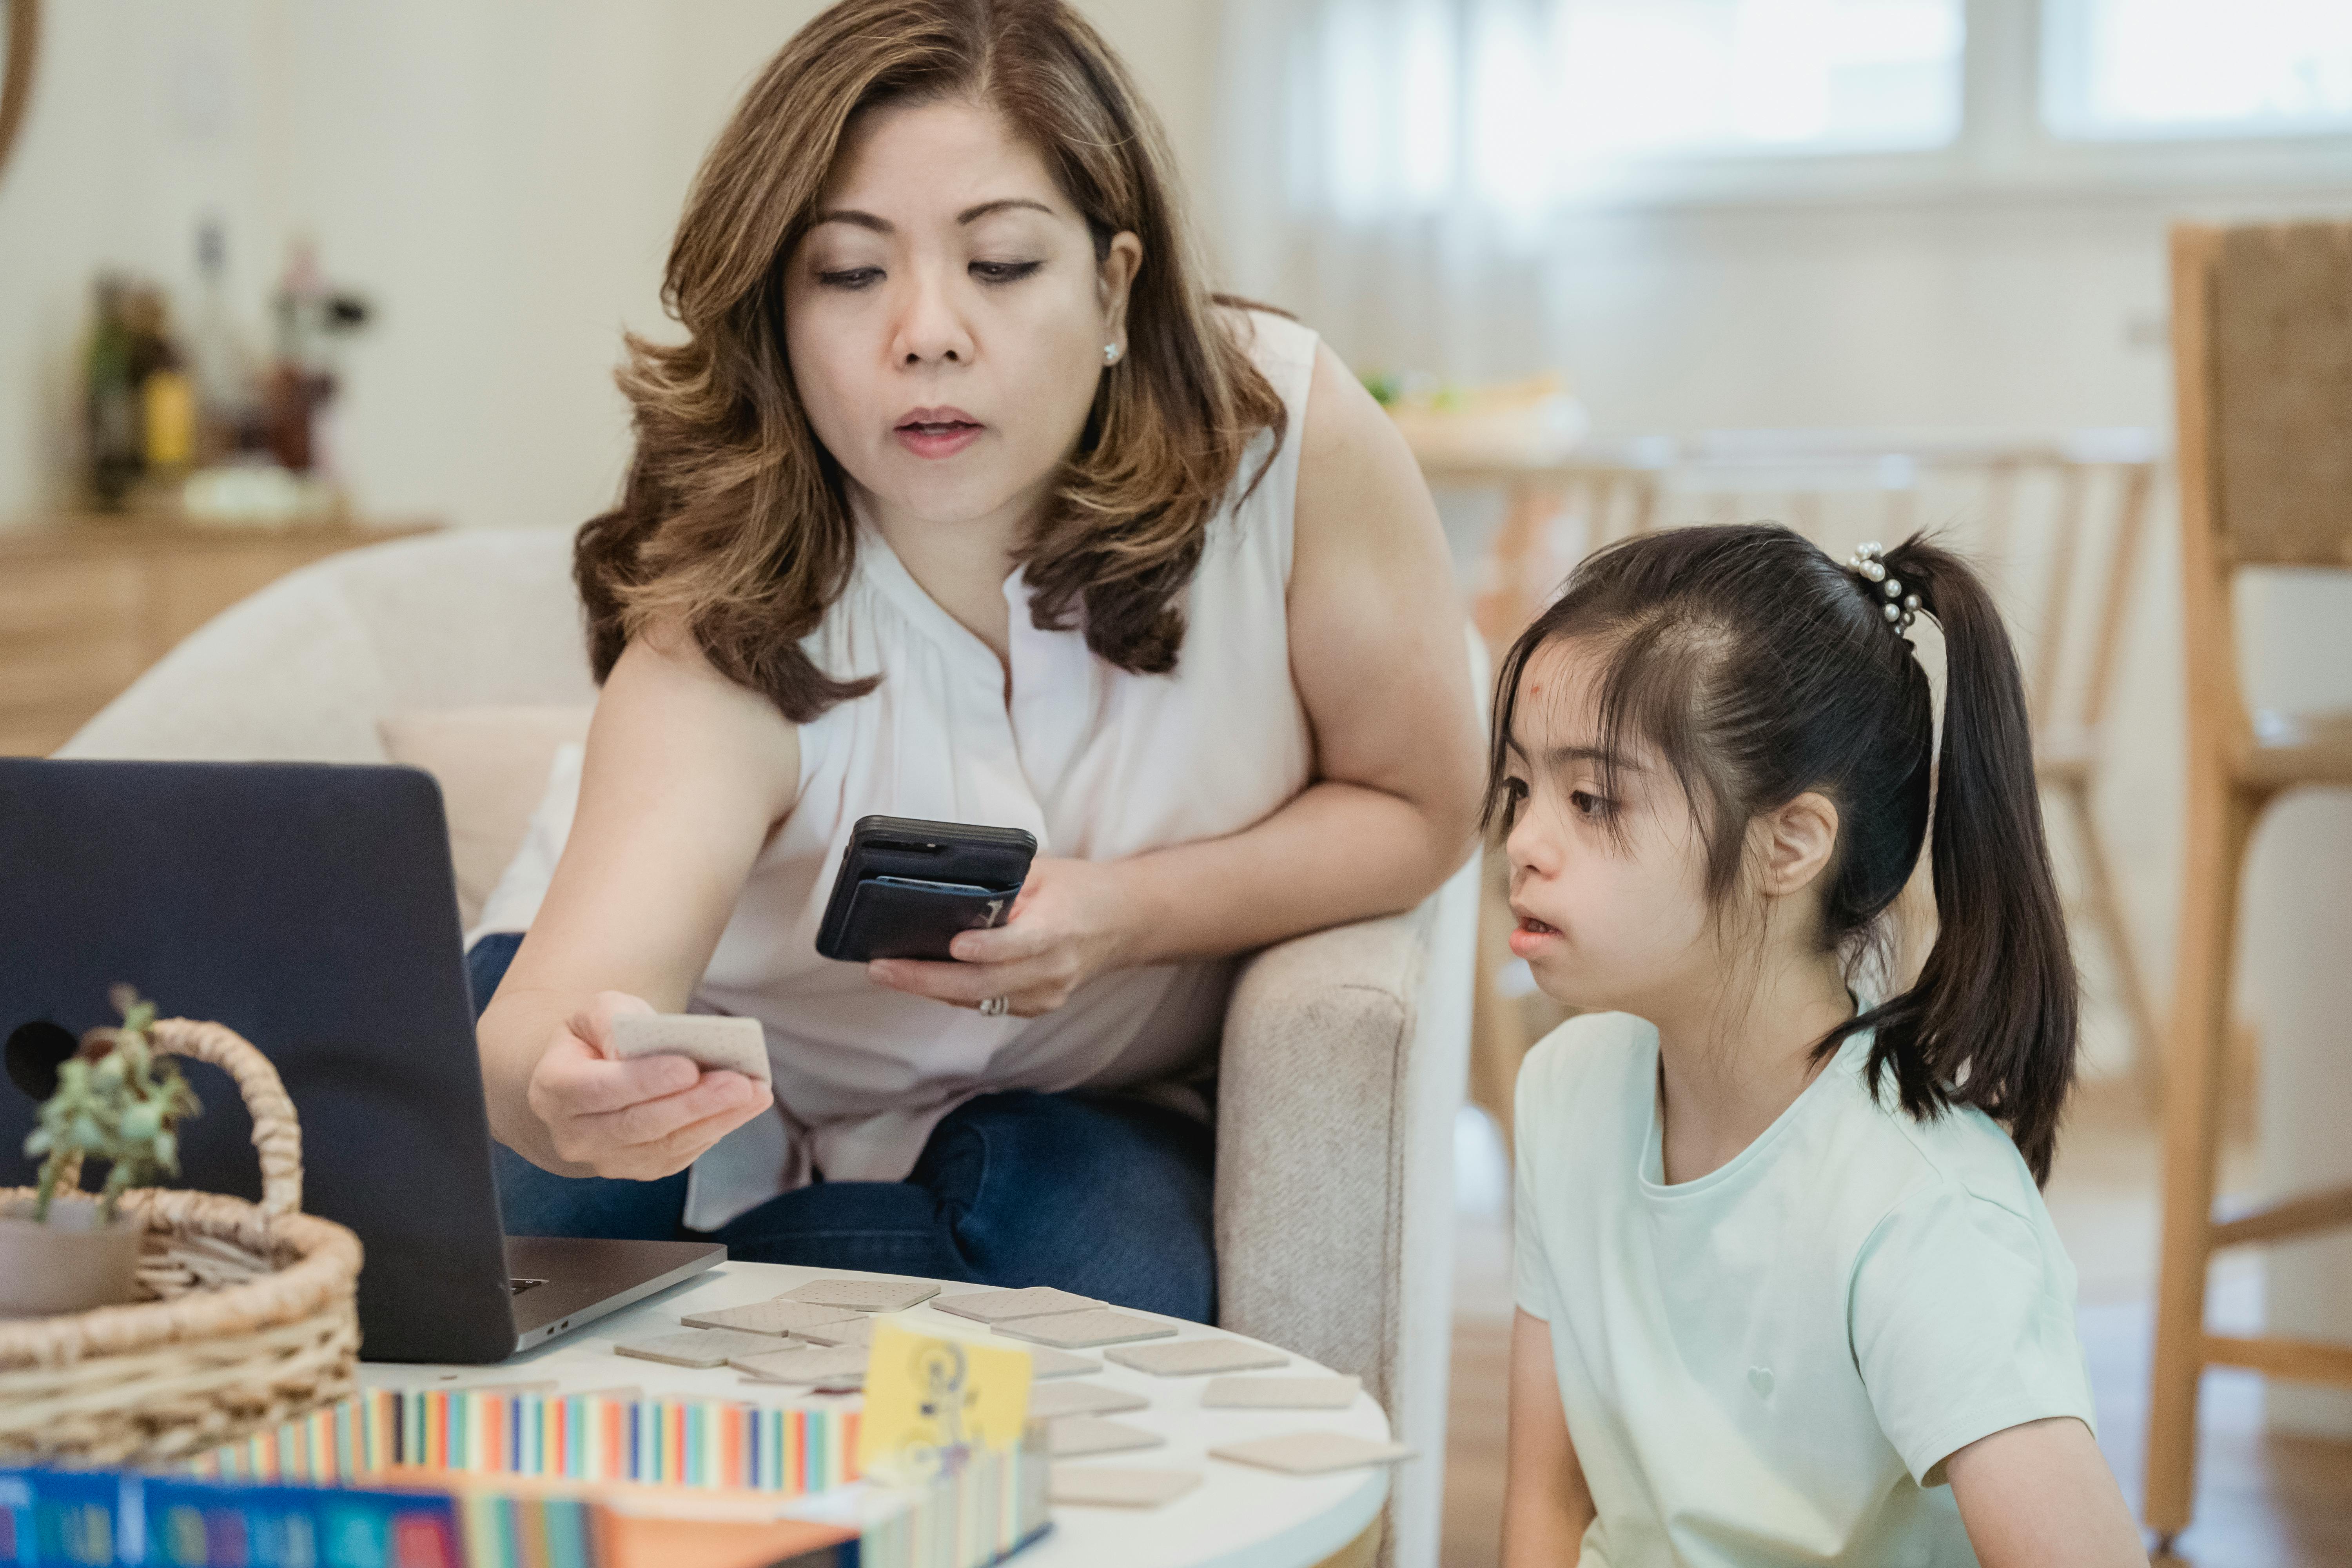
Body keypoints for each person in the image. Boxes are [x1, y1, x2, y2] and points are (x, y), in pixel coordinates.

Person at [468, 0, 1483, 1325]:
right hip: (708, 1084)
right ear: (778, 310)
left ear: (1116, 286)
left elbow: (1424, 805)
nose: (927, 333)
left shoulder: (1279, 439)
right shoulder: (740, 585)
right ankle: (721, 1303)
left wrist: (1129, 915)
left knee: (1113, 1286)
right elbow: (548, 1015)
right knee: (492, 1265)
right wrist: (566, 1092)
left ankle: (714, 1313)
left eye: (1001, 264)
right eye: (847, 274)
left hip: (1071, 1098)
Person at [1494, 525, 2146, 1565]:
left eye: (1592, 801)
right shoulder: (1566, 1090)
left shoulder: (1923, 1211)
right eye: (1522, 790)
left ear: (1788, 846)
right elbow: (1545, 1503)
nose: (1525, 842)